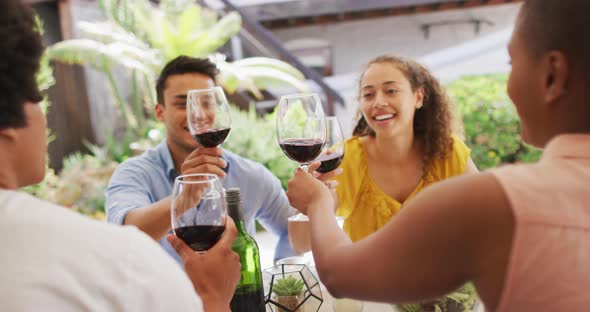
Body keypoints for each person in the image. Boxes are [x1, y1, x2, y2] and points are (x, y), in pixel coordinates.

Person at [286, 0, 590, 311]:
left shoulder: (500, 198)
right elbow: (302, 243)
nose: (508, 87)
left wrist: (317, 202)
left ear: (553, 75)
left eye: (512, 64)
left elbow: (339, 274)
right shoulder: (350, 156)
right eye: (368, 93)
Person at [0, 1, 240, 311]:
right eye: (37, 93)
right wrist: (212, 297)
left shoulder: (249, 171)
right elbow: (130, 230)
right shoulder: (112, 261)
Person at [106, 56, 296, 263]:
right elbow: (125, 236)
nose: (197, 114)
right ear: (160, 113)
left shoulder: (250, 175)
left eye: (207, 102)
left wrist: (282, 278)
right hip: (168, 296)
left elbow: (292, 231)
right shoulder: (134, 173)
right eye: (183, 104)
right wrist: (182, 197)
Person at [333, 54, 478, 242]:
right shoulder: (346, 158)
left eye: (391, 91)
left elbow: (487, 216)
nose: (378, 102)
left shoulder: (446, 150)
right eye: (368, 94)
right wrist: (314, 200)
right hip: (369, 272)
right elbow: (300, 241)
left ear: (418, 97)